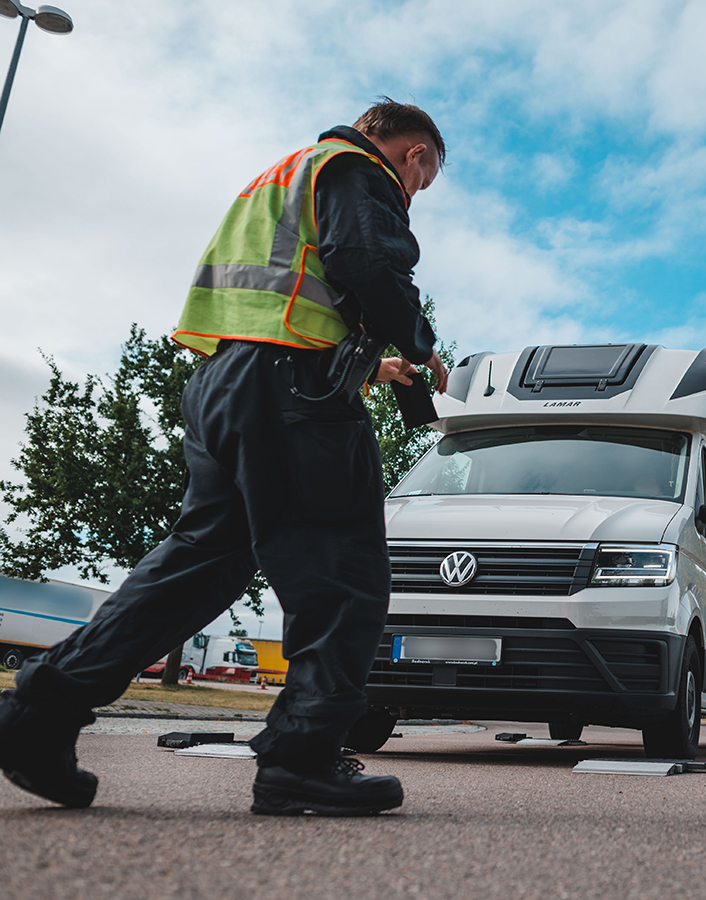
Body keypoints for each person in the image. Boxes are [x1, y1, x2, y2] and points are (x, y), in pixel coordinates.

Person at [0, 99, 450, 816]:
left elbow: (284, 302)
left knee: (194, 569)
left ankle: (37, 717)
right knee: (343, 572)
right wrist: (421, 346)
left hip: (227, 388)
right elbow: (365, 261)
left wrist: (372, 369)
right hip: (293, 396)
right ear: (417, 156)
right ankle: (301, 758)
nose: (414, 191)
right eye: (422, 182)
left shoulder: (282, 176)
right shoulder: (358, 170)